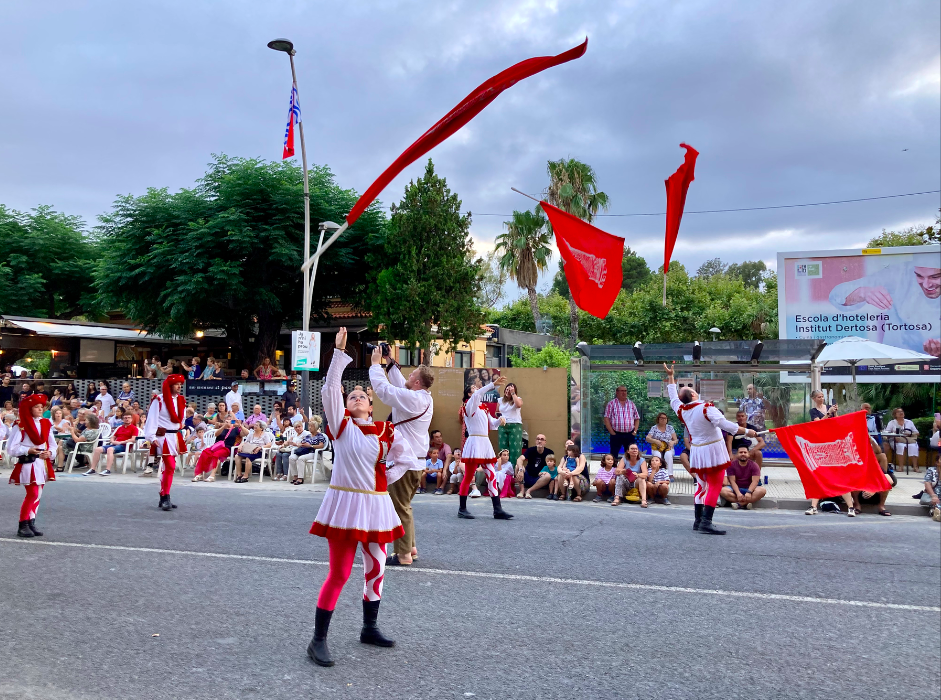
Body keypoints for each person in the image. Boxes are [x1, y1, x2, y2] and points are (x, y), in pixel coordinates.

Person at [306, 328, 403, 667]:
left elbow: (401, 458)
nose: (357, 397)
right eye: (353, 396)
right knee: (340, 573)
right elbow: (331, 389)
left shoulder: (386, 432)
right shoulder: (341, 425)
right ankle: (317, 641)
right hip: (346, 506)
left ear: (372, 404)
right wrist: (338, 354)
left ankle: (369, 627)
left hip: (376, 505)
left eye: (363, 395)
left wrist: (387, 367)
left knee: (376, 569)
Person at [664, 363, 755, 534]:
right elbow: (726, 425)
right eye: (691, 388)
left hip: (698, 451)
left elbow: (673, 399)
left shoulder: (682, 410)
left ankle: (698, 521)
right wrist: (748, 431)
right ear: (693, 394)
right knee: (714, 485)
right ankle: (706, 521)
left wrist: (671, 378)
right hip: (713, 451)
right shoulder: (706, 408)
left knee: (701, 485)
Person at [368, 344, 434, 566]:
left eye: (412, 374)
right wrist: (389, 361)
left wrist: (375, 365)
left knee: (399, 507)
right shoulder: (421, 397)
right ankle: (410, 547)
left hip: (405, 463)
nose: (408, 375)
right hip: (415, 462)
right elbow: (399, 384)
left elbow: (386, 390)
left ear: (417, 382)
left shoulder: (415, 399)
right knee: (404, 505)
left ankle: (404, 555)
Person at [829, 261, 941, 356]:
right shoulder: (900, 274)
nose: (926, 285)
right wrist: (863, 292)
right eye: (919, 276)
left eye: (935, 277)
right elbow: (836, 294)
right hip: (897, 363)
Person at [456, 377, 512, 520]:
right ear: (469, 394)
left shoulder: (483, 408)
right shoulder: (469, 406)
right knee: (468, 476)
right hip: (474, 442)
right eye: (473, 388)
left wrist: (499, 420)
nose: (476, 389)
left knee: (492, 474)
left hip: (485, 443)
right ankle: (462, 509)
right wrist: (493, 384)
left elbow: (492, 425)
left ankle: (497, 509)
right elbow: (477, 395)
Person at [8, 394, 57, 538]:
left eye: (42, 407)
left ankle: (30, 522)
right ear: (30, 409)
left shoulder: (46, 423)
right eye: (37, 407)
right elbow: (11, 448)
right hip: (28, 462)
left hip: (42, 463)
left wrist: (50, 453)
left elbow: (53, 445)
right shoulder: (20, 425)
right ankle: (22, 524)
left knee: (38, 494)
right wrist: (27, 450)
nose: (40, 409)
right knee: (33, 493)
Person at [144, 374, 187, 511]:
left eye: (181, 384)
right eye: (176, 384)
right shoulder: (159, 400)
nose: (179, 386)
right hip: (163, 437)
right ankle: (165, 497)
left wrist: (181, 427)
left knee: (169, 467)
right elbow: (152, 418)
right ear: (170, 386)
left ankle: (164, 496)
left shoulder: (181, 400)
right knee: (170, 465)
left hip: (174, 436)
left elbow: (183, 418)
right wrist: (151, 437)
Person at [852, 438, 893, 517]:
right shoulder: (856, 466)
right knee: (853, 482)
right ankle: (857, 505)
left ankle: (881, 506)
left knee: (887, 483)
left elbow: (890, 481)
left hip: (874, 494)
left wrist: (874, 489)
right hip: (860, 494)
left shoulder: (875, 466)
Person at [288, 416, 328, 486]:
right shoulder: (308, 436)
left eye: (311, 426)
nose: (309, 428)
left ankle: (300, 478)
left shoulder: (320, 436)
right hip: (305, 452)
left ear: (315, 427)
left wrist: (310, 446)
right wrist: (298, 444)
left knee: (301, 459)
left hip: (314, 453)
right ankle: (295, 476)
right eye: (309, 426)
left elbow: (321, 446)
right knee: (291, 458)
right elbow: (301, 443)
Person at [604, 385, 640, 459]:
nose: (624, 393)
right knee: (614, 455)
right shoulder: (611, 404)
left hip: (630, 434)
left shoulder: (631, 404)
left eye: (625, 391)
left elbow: (637, 418)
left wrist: (635, 431)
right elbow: (606, 418)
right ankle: (614, 469)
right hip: (616, 434)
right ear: (617, 392)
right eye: (622, 391)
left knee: (630, 455)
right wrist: (612, 432)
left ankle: (629, 470)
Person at [497, 382, 524, 466]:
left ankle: (514, 471)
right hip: (503, 426)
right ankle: (504, 470)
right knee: (503, 450)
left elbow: (519, 405)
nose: (508, 391)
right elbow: (497, 412)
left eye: (511, 390)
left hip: (515, 426)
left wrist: (513, 394)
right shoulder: (500, 400)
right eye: (507, 389)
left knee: (515, 450)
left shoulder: (518, 398)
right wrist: (499, 417)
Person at [887, 407, 920, 473]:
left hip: (908, 440)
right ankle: (900, 467)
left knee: (913, 446)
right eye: (898, 412)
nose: (901, 413)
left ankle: (915, 467)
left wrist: (909, 433)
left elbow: (917, 433)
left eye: (902, 411)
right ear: (895, 414)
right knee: (900, 446)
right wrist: (893, 434)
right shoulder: (892, 422)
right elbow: (886, 432)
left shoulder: (909, 422)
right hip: (896, 440)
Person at [646, 412, 679, 478]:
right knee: (657, 456)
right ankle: (657, 473)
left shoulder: (670, 428)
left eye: (665, 418)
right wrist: (655, 440)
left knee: (668, 455)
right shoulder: (654, 428)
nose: (663, 419)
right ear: (658, 419)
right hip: (657, 447)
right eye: (661, 418)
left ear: (667, 420)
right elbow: (647, 438)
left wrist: (673, 442)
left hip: (668, 447)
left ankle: (669, 474)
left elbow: (676, 440)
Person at [919, 454, 940, 520]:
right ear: (937, 462)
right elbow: (927, 483)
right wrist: (933, 495)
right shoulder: (932, 470)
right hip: (934, 495)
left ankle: (936, 513)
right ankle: (936, 512)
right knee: (935, 502)